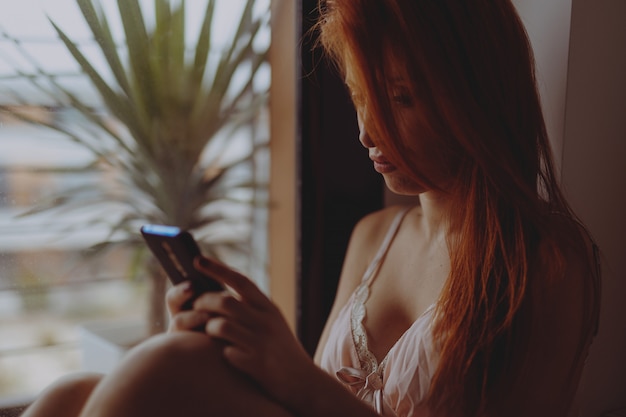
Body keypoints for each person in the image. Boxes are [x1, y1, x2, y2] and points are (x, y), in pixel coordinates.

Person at [20, 0, 600, 416]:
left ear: (475, 91)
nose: (368, 131)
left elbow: (311, 394)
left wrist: (293, 374)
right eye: (358, 96)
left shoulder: (544, 264)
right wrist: (243, 344)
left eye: (400, 98)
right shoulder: (375, 236)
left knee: (164, 370)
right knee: (65, 395)